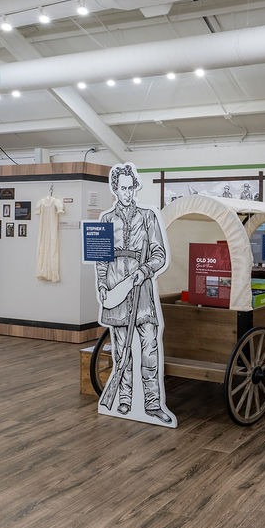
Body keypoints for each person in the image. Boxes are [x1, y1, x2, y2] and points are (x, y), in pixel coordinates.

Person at [96, 163, 175, 425]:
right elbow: (101, 259)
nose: (128, 193)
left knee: (150, 348)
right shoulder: (107, 220)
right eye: (123, 188)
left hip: (141, 291)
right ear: (115, 189)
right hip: (116, 290)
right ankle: (124, 400)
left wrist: (144, 271)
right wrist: (103, 286)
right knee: (121, 351)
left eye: (131, 188)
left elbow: (159, 254)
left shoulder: (148, 217)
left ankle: (152, 404)